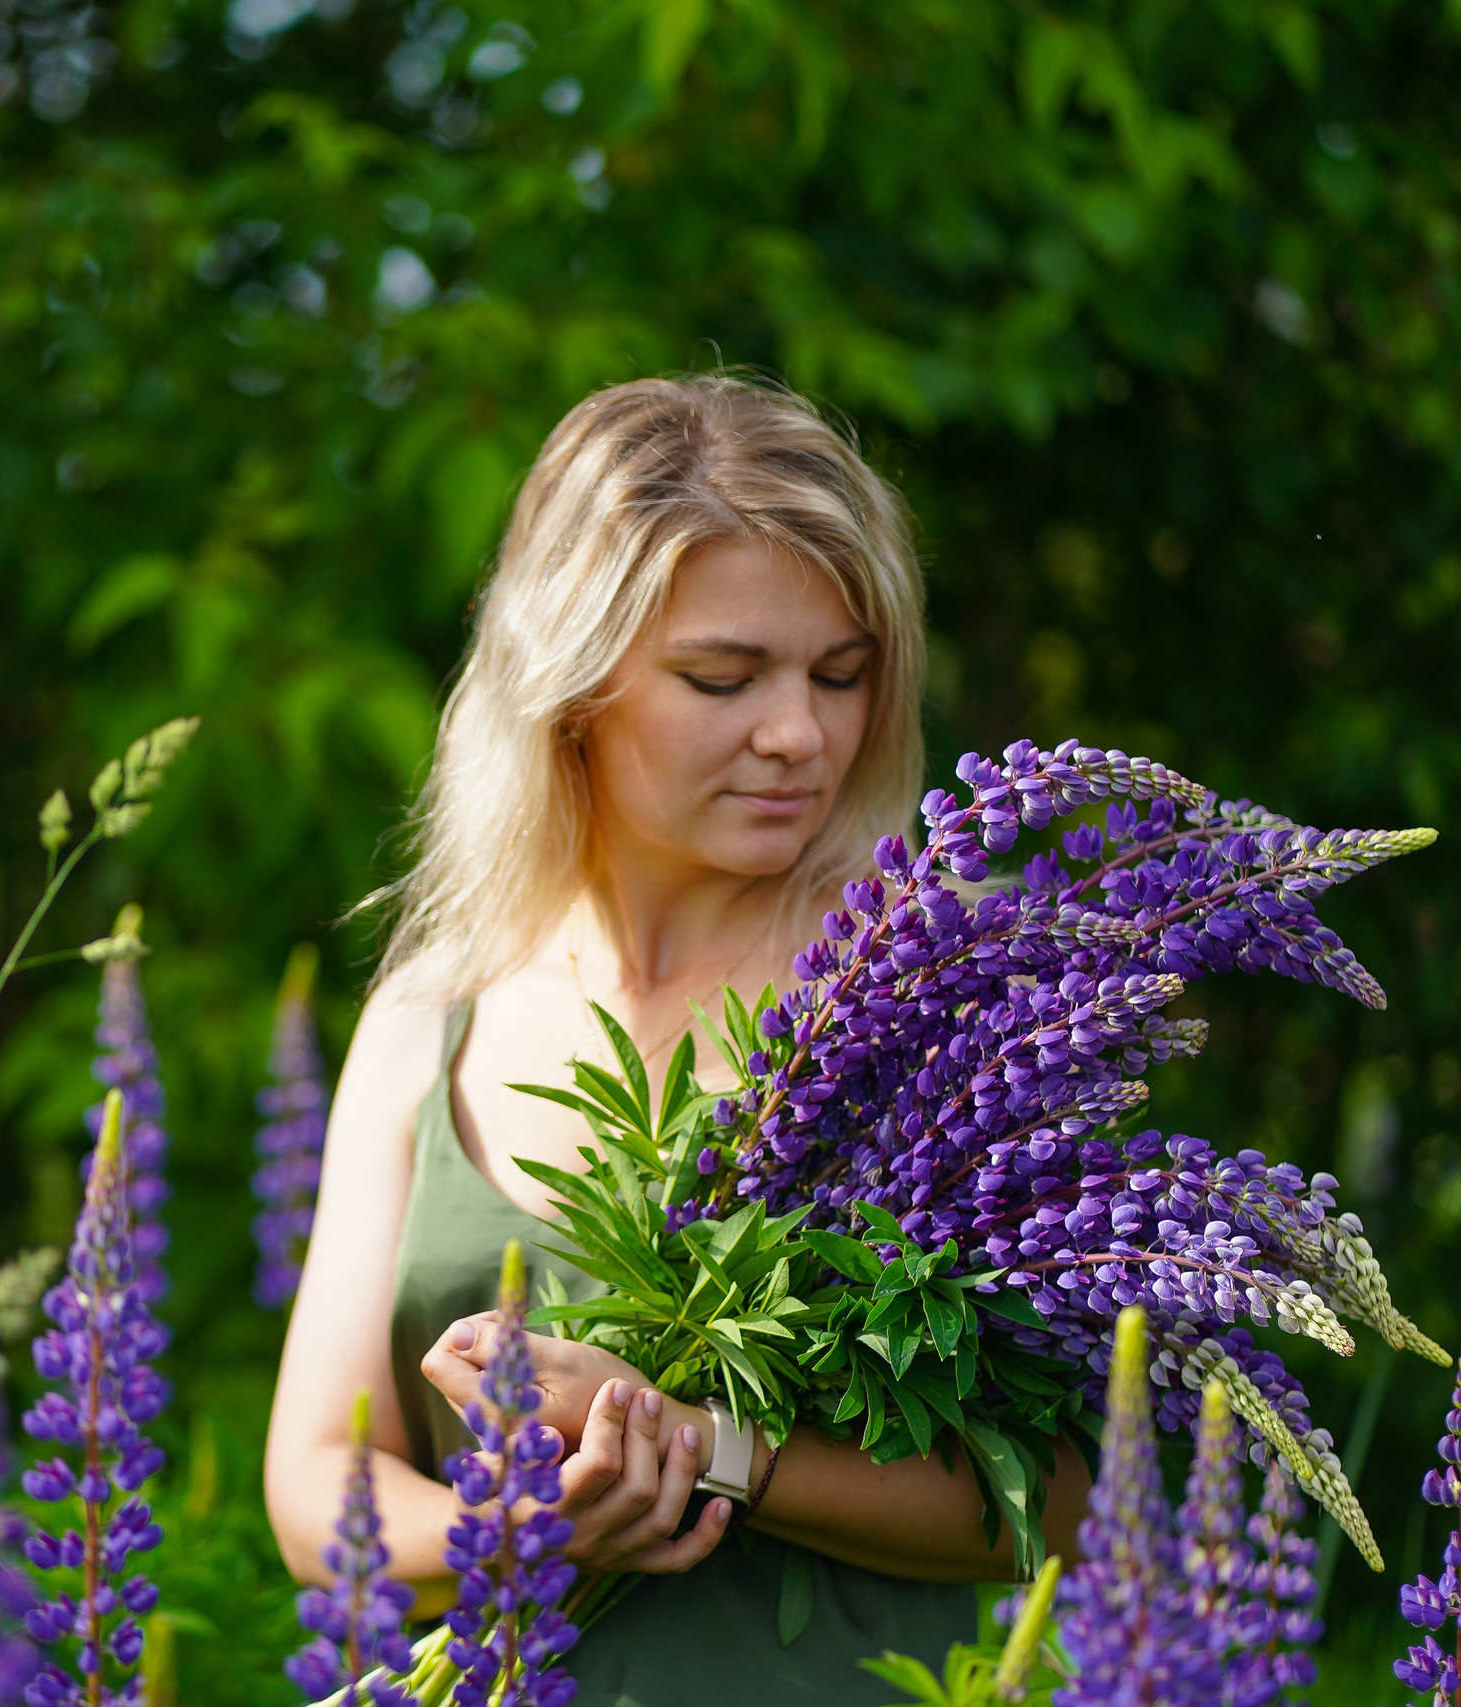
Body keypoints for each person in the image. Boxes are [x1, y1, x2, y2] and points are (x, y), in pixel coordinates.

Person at [263, 373, 1089, 1704]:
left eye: (842, 675)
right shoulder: (434, 1009)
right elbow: (317, 1481)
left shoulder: (948, 987)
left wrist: (712, 1451)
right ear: (571, 682)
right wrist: (524, 1529)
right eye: (723, 677)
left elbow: (1066, 1496)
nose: (799, 734)